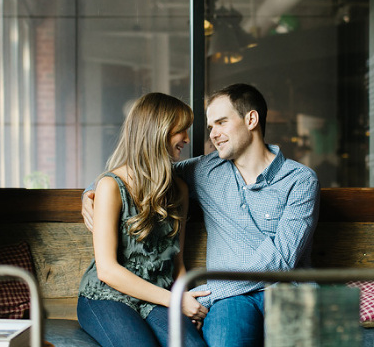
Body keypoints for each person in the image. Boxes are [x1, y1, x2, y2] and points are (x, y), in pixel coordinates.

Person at [82, 83, 320, 347]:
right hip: (231, 300)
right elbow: (139, 172)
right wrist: (90, 193)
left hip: (289, 290)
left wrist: (201, 297)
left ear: (251, 119)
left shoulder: (300, 180)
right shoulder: (205, 171)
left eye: (221, 122)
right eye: (210, 127)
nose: (213, 135)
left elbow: (280, 261)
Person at [77, 92, 210, 347]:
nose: (187, 138)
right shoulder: (110, 186)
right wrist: (175, 301)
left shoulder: (179, 190)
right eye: (181, 130)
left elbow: (177, 261)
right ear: (158, 131)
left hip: (157, 298)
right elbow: (107, 270)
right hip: (106, 296)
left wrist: (185, 297)